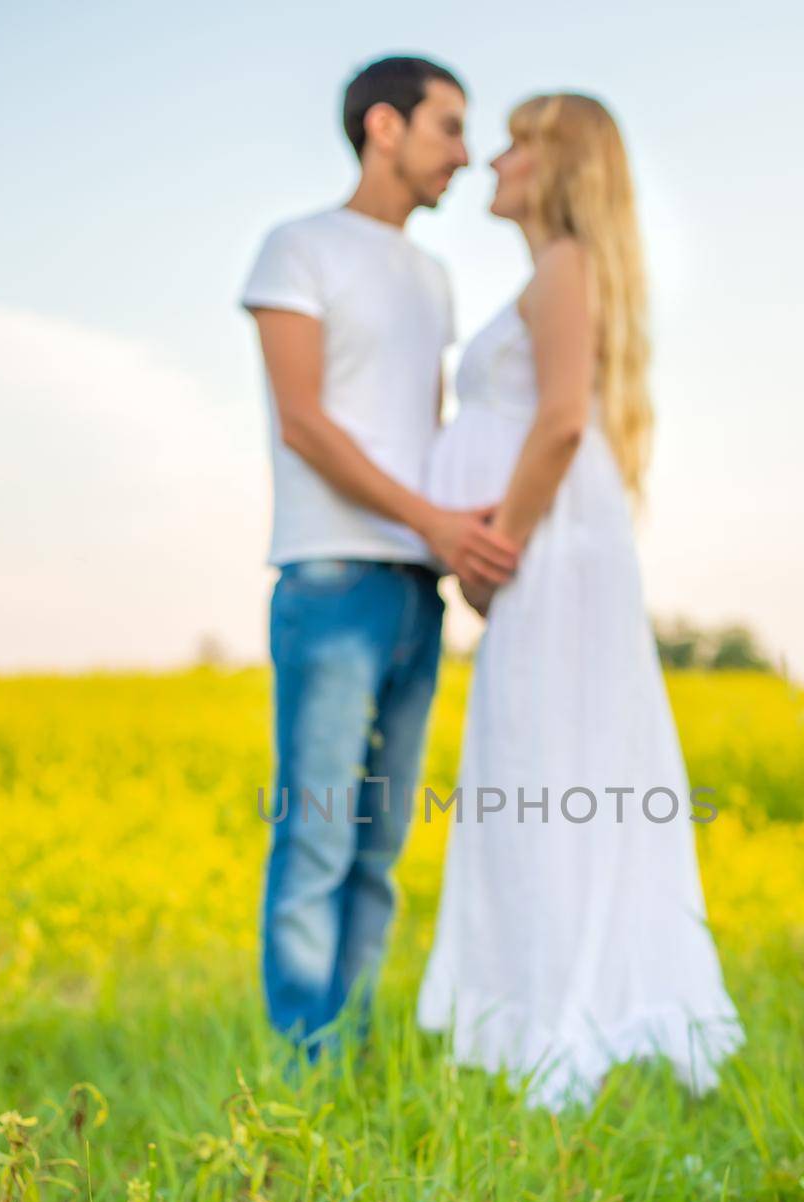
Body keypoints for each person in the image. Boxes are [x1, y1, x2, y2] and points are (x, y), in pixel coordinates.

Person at [417, 92, 746, 1108]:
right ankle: (547, 993)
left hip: (550, 546)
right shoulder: (559, 272)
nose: (494, 162)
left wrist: (489, 552)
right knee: (554, 765)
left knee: (546, 764)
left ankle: (560, 1009)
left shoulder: (563, 267)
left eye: (516, 144)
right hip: (558, 541)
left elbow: (559, 425)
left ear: (560, 167)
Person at [240, 56, 520, 1060]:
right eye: (450, 126)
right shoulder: (298, 248)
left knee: (381, 846)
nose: (466, 152)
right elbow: (307, 423)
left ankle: (345, 1049)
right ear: (385, 127)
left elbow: (429, 426)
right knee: (317, 832)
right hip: (331, 574)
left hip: (418, 585)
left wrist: (467, 534)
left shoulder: (433, 277)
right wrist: (432, 521)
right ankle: (301, 1071)